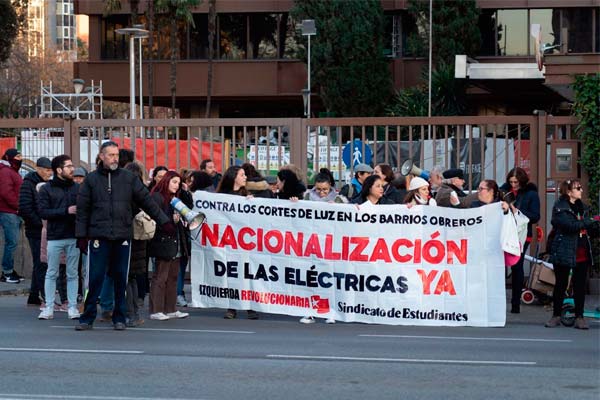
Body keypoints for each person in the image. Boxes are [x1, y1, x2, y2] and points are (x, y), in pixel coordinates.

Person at [75, 141, 171, 331]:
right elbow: (82, 210)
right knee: (95, 279)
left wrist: (164, 221)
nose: (114, 158)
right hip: (98, 236)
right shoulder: (91, 180)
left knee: (121, 278)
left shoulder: (128, 178)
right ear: (101, 156)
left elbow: (146, 201)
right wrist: (81, 236)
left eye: (116, 155)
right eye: (110, 155)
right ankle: (87, 318)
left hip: (122, 236)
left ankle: (119, 317)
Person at [545, 179, 599, 330]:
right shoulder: (560, 207)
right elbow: (570, 226)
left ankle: (579, 317)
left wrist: (595, 225)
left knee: (580, 286)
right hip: (564, 250)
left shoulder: (584, 208)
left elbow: (589, 229)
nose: (581, 190)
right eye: (578, 188)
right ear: (569, 192)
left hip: (581, 251)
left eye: (581, 187)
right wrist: (589, 221)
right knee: (561, 284)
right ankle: (555, 316)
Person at [37, 155, 81, 320]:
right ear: (59, 170)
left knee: (72, 274)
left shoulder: (77, 188)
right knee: (51, 272)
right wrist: (66, 211)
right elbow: (42, 212)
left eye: (72, 165)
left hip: (74, 236)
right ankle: (48, 307)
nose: (72, 169)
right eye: (68, 166)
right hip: (54, 237)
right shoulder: (46, 189)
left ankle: (72, 307)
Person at [299, 170, 345, 325]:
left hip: (331, 246)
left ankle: (331, 312)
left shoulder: (339, 200)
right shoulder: (306, 197)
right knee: (311, 280)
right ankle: (310, 311)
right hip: (311, 245)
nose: (321, 192)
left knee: (329, 280)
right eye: (318, 189)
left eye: (325, 189)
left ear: (330, 186)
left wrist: (339, 208)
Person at [217, 166, 258, 320]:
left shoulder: (247, 195)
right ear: (233, 177)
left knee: (247, 274)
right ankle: (232, 307)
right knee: (232, 275)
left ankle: (250, 307)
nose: (245, 177)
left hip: (245, 244)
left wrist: (252, 204)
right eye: (242, 175)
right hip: (229, 243)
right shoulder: (220, 197)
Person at [148, 171, 190, 321]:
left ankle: (170, 309)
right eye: (174, 182)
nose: (176, 185)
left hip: (175, 242)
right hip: (163, 242)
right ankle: (156, 310)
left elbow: (188, 210)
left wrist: (185, 192)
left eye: (178, 183)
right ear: (166, 181)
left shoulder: (175, 198)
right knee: (160, 277)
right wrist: (171, 221)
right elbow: (155, 218)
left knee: (173, 277)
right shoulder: (157, 197)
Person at [499, 167, 540, 314]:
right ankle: (500, 301)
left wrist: (517, 211)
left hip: (521, 234)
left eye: (516, 182)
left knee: (517, 265)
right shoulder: (504, 191)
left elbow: (535, 216)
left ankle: (515, 303)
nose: (513, 184)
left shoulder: (531, 194)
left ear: (522, 181)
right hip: (505, 231)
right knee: (500, 265)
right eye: (511, 182)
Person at [19, 157, 53, 304]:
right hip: (35, 230)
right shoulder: (28, 184)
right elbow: (25, 208)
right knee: (41, 264)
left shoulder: (45, 184)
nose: (49, 173)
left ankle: (33, 296)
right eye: (47, 170)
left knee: (39, 263)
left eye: (51, 170)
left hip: (42, 229)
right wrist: (40, 223)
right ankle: (44, 296)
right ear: (38, 169)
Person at [0, 148, 24, 284]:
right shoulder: (6, 172)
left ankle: (9, 270)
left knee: (12, 243)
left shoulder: (11, 171)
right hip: (9, 212)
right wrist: (18, 206)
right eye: (17, 156)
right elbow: (6, 192)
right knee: (12, 243)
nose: (20, 158)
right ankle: (7, 272)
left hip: (13, 212)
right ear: (9, 158)